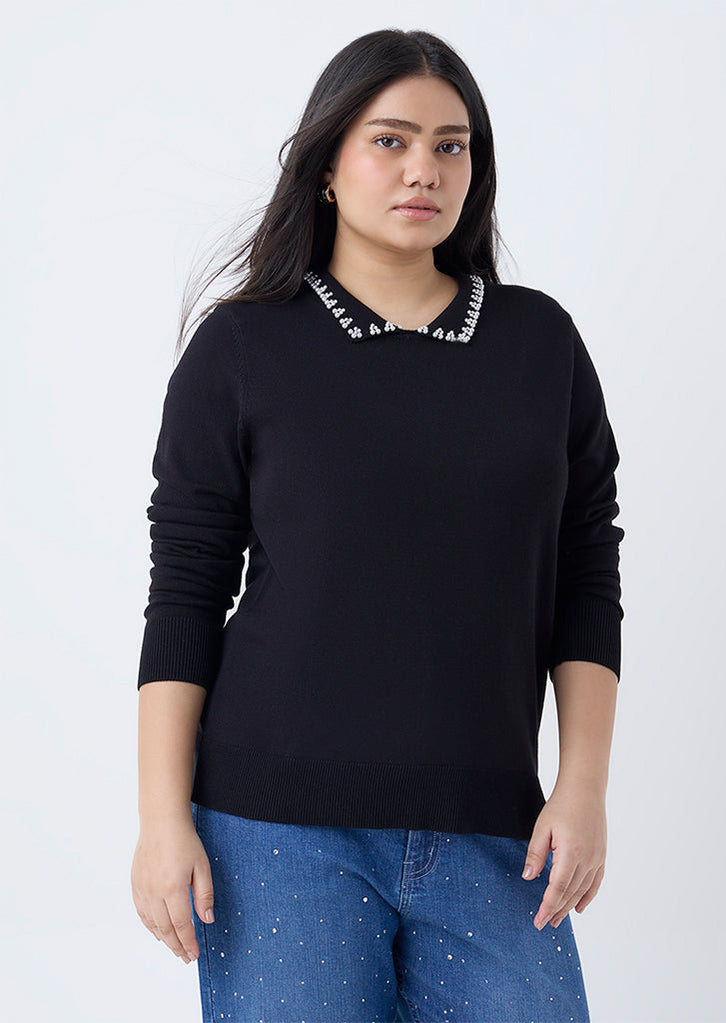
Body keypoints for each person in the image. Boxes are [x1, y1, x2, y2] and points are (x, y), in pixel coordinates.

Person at [130, 27, 624, 1023]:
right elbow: (185, 588)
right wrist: (160, 819)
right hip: (273, 834)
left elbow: (586, 572)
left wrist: (581, 789)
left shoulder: (538, 344)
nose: (423, 170)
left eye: (450, 145)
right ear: (326, 165)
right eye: (389, 141)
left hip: (495, 829)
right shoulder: (242, 347)